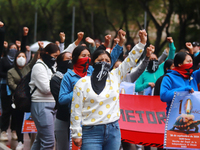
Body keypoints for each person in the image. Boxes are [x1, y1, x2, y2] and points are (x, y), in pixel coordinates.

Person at [70, 30, 148, 150]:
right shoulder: (82, 83)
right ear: (93, 62)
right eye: (100, 60)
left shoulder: (115, 76)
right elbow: (76, 110)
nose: (104, 63)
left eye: (107, 61)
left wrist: (142, 43)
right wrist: (76, 134)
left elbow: (130, 60)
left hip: (113, 131)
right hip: (91, 132)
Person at [7, 47, 39, 150]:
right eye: (19, 56)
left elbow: (34, 60)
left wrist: (40, 49)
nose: (21, 58)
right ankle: (20, 141)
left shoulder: (28, 68)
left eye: (23, 56)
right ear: (16, 58)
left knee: (30, 122)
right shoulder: (11, 72)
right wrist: (22, 91)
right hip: (18, 100)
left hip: (29, 100)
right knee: (19, 121)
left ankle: (32, 142)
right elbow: (11, 84)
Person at [29, 43, 60, 150]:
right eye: (54, 56)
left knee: (40, 140)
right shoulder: (39, 67)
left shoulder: (51, 67)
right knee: (49, 141)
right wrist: (58, 86)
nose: (55, 59)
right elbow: (46, 89)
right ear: (47, 54)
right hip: (41, 105)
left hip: (52, 105)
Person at [160, 50, 200, 115]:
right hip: (175, 119)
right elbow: (163, 96)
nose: (191, 64)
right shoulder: (168, 77)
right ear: (180, 64)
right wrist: (184, 90)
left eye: (192, 61)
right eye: (189, 61)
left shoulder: (194, 76)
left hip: (194, 117)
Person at [50, 51, 73, 150]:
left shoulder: (77, 76)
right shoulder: (55, 79)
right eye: (68, 59)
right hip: (63, 118)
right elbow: (61, 101)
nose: (71, 61)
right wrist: (77, 91)